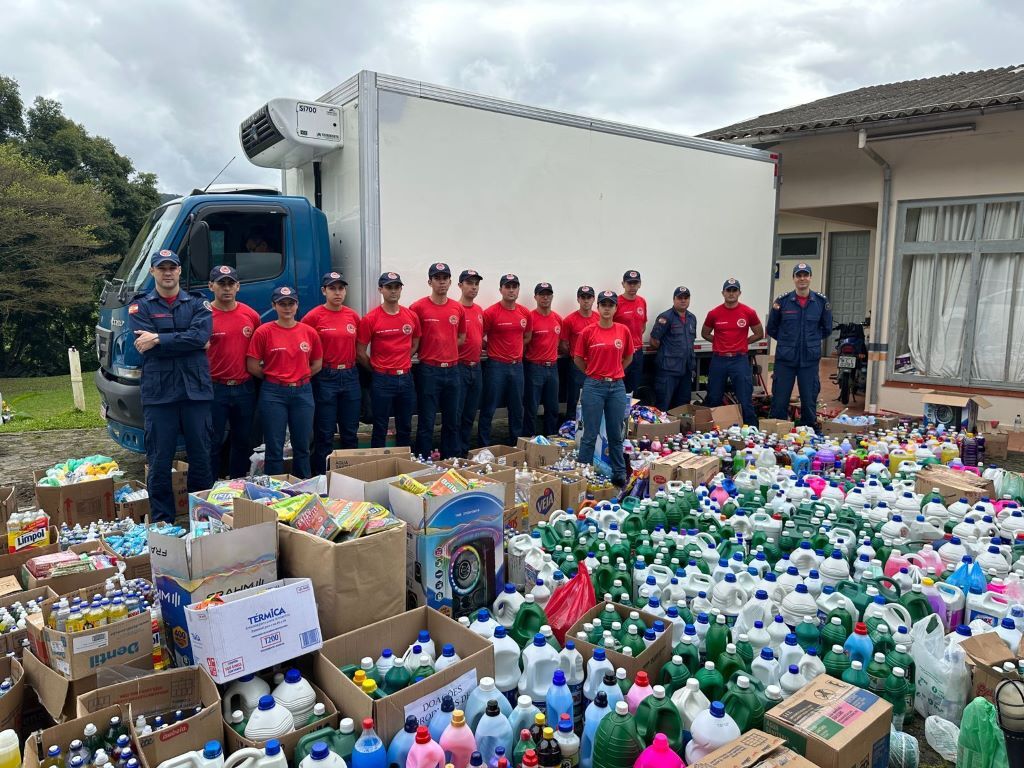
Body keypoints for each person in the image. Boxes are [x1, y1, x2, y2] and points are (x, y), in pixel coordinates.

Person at [128, 249, 214, 523]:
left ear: (179, 271)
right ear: (153, 272)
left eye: (172, 267)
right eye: (161, 268)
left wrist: (160, 339)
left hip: (194, 392)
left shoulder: (198, 304)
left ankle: (201, 518)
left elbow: (201, 336)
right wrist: (184, 341)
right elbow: (147, 348)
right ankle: (163, 521)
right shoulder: (140, 306)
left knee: (201, 457)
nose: (167, 272)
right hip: (160, 394)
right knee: (159, 460)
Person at [246, 286, 322, 477]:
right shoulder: (264, 332)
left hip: (302, 392)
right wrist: (276, 377)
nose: (287, 308)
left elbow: (317, 363)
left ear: (297, 305)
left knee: (303, 445)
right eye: (282, 304)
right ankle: (276, 489)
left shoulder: (309, 332)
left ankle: (303, 486)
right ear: (274, 305)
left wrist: (297, 376)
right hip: (273, 393)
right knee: (274, 447)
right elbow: (253, 365)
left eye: (291, 303)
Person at [572, 290, 636, 488]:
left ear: (616, 308)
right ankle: (583, 474)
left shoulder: (622, 330)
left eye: (611, 305)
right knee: (590, 434)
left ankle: (619, 475)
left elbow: (629, 356)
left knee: (616, 433)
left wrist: (615, 372)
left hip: (616, 387)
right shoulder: (588, 332)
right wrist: (593, 373)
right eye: (603, 304)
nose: (607, 308)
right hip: (594, 386)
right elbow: (578, 358)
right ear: (598, 307)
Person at [303, 271, 362, 473]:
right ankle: (322, 478)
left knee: (350, 432)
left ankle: (350, 477)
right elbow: (303, 347)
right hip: (325, 377)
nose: (337, 293)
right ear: (324, 291)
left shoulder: (352, 316)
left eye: (341, 288)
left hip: (350, 375)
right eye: (332, 288)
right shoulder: (313, 317)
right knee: (324, 433)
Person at [206, 265, 260, 479]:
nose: (226, 288)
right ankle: (209, 486)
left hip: (244, 388)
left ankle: (236, 484)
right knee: (212, 440)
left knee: (242, 440)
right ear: (211, 286)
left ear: (238, 286)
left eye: (231, 284)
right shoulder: (203, 315)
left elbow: (259, 351)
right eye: (221, 283)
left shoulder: (251, 315)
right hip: (214, 387)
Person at [357, 272, 421, 448]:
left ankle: (404, 461)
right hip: (382, 380)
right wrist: (377, 369)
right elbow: (360, 352)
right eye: (389, 287)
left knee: (406, 426)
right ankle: (380, 464)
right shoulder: (370, 318)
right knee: (380, 426)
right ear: (380, 289)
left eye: (396, 287)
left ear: (401, 289)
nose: (393, 291)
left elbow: (415, 343)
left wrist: (402, 360)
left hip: (406, 378)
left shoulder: (411, 316)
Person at [766, 262, 833, 427]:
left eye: (805, 275)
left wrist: (811, 342)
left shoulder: (820, 302)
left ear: (810, 277)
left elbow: (827, 329)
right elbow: (772, 329)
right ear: (794, 278)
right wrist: (787, 342)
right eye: (799, 275)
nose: (802, 278)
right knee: (780, 400)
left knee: (809, 401)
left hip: (809, 361)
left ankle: (808, 433)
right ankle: (778, 432)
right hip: (785, 360)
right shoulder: (782, 302)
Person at [411, 263, 466, 458]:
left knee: (452, 420)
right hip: (429, 371)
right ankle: (423, 460)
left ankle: (451, 460)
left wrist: (447, 348)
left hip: (452, 370)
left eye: (445, 278)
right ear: (430, 282)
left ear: (450, 282)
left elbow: (461, 337)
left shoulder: (457, 308)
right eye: (437, 278)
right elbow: (413, 337)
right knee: (426, 421)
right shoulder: (417, 308)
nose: (441, 282)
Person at [701, 278, 764, 427]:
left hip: (739, 360)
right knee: (714, 397)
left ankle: (752, 430)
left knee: (744, 398)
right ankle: (711, 430)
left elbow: (759, 333)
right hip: (719, 360)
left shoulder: (749, 312)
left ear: (739, 293)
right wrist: (718, 342)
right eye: (728, 290)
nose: (731, 293)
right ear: (723, 293)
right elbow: (705, 333)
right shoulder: (714, 313)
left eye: (734, 290)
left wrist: (744, 342)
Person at [478, 273, 532, 447]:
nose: (511, 290)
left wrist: (514, 349)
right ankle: (484, 445)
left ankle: (515, 445)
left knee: (517, 409)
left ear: (518, 290)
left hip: (517, 367)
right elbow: (479, 336)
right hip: (496, 367)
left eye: (514, 286)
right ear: (500, 289)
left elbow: (527, 336)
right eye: (507, 286)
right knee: (489, 408)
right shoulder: (491, 313)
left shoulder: (524, 313)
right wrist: (493, 347)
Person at [649, 285, 697, 412]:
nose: (683, 300)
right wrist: (668, 352)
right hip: (668, 370)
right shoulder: (665, 317)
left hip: (686, 370)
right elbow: (654, 341)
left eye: (686, 298)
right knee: (663, 406)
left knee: (682, 407)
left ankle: (679, 431)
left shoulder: (692, 318)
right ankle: (659, 431)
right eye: (680, 298)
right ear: (674, 299)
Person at [523, 282, 562, 437]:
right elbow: (524, 341)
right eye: (541, 294)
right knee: (531, 408)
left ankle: (551, 439)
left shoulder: (558, 318)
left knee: (552, 408)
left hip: (552, 367)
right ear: (535, 297)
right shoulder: (530, 317)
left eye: (548, 294)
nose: (545, 297)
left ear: (552, 296)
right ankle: (529, 440)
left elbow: (559, 343)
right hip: (534, 368)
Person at [455, 269, 484, 456]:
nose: (473, 287)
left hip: (477, 367)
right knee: (456, 415)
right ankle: (454, 452)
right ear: (459, 286)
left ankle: (464, 451)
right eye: (469, 283)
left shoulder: (480, 310)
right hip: (459, 367)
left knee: (469, 415)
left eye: (476, 284)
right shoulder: (455, 309)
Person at [559, 285, 597, 424]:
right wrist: (575, 355)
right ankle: (570, 426)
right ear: (578, 299)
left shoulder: (599, 319)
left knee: (593, 397)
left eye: (589, 297)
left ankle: (590, 425)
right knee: (575, 398)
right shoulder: (569, 320)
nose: (586, 301)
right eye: (583, 297)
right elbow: (563, 343)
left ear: (593, 299)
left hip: (595, 365)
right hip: (577, 365)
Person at [614, 269, 648, 395]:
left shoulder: (642, 301)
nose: (632, 286)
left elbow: (642, 326)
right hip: (621, 353)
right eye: (629, 283)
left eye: (635, 283)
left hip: (637, 353)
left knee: (633, 390)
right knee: (618, 388)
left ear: (640, 284)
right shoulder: (616, 302)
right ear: (623, 284)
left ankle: (630, 414)